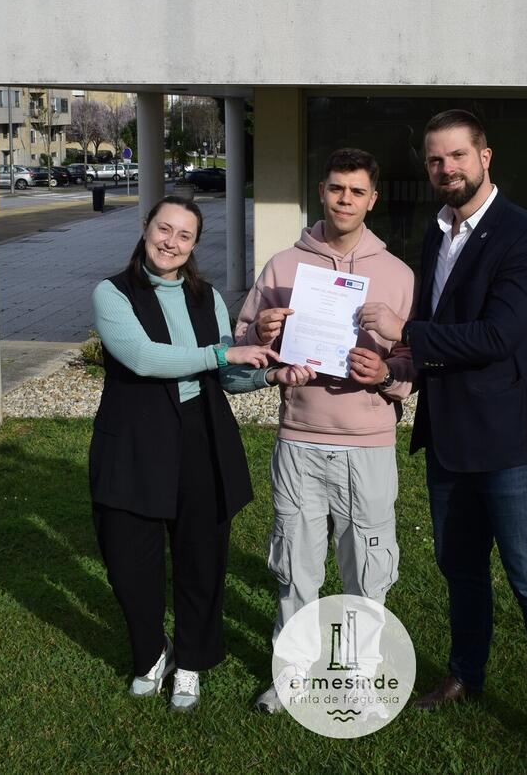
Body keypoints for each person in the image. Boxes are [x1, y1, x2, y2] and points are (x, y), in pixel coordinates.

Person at [358, 110, 527, 773]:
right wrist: (394, 365)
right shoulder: (438, 233)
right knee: (460, 571)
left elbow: (497, 336)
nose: (446, 169)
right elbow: (439, 327)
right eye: (435, 160)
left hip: (510, 442)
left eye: (457, 155)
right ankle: (465, 674)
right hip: (449, 436)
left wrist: (405, 333)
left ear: (486, 157)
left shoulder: (526, 237)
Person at [89, 195, 308, 713]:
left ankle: (191, 659)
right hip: (135, 440)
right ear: (146, 227)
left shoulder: (205, 297)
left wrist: (269, 374)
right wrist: (221, 352)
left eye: (184, 235)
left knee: (201, 560)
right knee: (128, 564)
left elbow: (226, 374)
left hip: (200, 436)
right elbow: (143, 358)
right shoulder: (112, 293)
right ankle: (152, 653)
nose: (171, 242)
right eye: (164, 229)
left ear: (193, 245)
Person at [234, 148, 415, 713]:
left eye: (357, 191)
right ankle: (291, 674)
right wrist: (263, 335)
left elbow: (416, 362)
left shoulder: (398, 274)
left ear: (372, 199)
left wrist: (386, 375)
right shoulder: (283, 266)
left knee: (368, 569)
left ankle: (358, 675)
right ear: (321, 192)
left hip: (368, 444)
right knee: (295, 567)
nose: (345, 200)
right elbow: (241, 348)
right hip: (301, 437)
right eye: (337, 188)